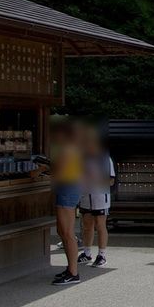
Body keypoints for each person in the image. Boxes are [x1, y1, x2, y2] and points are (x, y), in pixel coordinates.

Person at [50, 119, 85, 285]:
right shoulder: (74, 149)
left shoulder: (66, 150)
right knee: (63, 231)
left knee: (67, 232)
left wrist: (44, 171)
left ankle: (73, 272)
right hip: (70, 188)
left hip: (67, 188)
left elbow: (59, 172)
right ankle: (70, 269)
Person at [78, 128, 115, 268]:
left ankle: (102, 255)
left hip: (100, 196)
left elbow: (111, 180)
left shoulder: (104, 159)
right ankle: (86, 253)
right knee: (87, 225)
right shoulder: (82, 159)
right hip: (85, 195)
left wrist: (95, 180)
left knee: (100, 225)